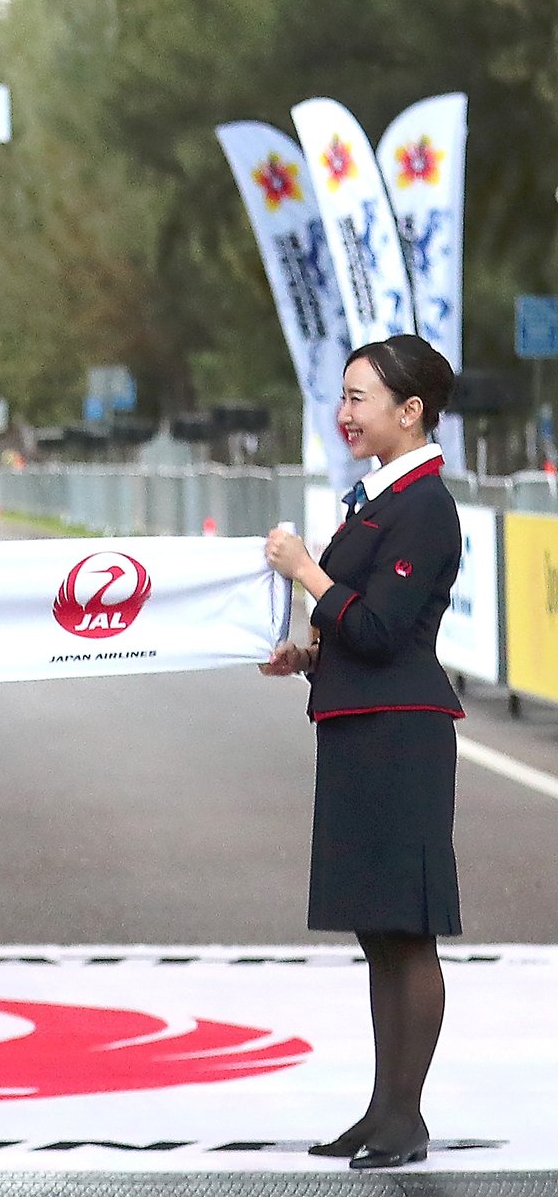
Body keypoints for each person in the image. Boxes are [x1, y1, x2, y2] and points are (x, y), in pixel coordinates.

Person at [261, 334, 461, 1171]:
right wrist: (312, 653)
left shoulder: (423, 504)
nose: (344, 414)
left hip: (399, 735)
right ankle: (383, 1111)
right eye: (342, 397)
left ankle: (406, 1119)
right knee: (378, 931)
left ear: (409, 412)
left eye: (359, 398)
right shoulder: (378, 498)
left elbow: (382, 629)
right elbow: (364, 624)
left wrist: (306, 569)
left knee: (407, 932)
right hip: (358, 723)